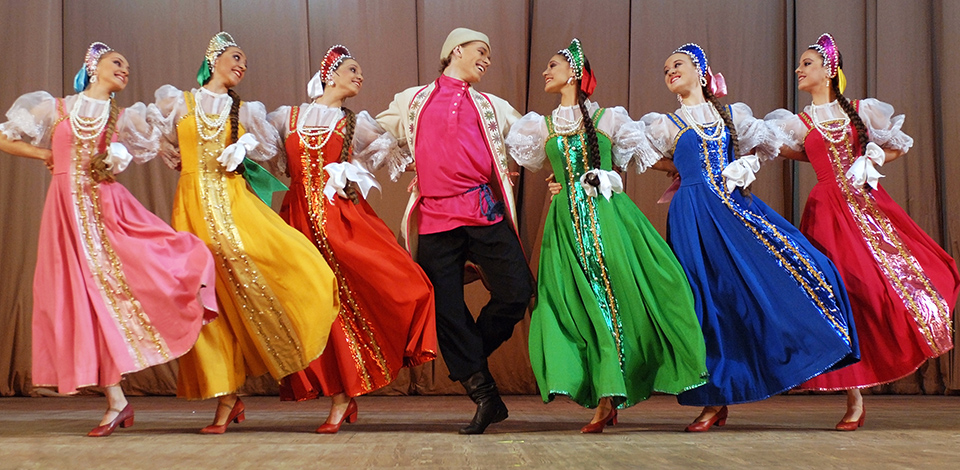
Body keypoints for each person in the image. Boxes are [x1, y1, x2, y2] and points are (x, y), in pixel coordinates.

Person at [636, 43, 859, 431]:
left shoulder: (732, 116)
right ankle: (713, 400)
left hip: (733, 208)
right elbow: (638, 153)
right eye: (666, 68)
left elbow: (764, 146)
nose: (670, 71)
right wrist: (683, 168)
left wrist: (746, 164)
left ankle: (815, 344)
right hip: (692, 215)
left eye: (678, 64)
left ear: (701, 72)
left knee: (781, 273)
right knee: (705, 299)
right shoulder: (664, 124)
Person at [0, 42, 216, 436]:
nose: (125, 70)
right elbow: (4, 137)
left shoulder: (124, 117)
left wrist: (120, 155)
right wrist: (45, 155)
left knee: (121, 288)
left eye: (127, 66)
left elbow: (165, 146)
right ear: (93, 66)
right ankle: (116, 401)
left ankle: (193, 282)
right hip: (65, 214)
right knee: (80, 301)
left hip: (107, 211)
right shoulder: (56, 108)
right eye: (117, 62)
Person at [505, 39, 707, 433]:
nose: (545, 72)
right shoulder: (541, 126)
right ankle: (603, 392)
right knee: (569, 305)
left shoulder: (609, 119)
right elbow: (548, 166)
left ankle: (613, 392)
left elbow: (648, 157)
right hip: (565, 225)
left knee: (622, 299)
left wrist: (618, 175)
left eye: (553, 65)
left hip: (608, 219)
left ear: (574, 72)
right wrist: (558, 181)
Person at [146, 32, 339, 434]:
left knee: (266, 266)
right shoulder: (177, 102)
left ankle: (301, 316)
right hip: (191, 207)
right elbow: (146, 131)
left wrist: (243, 149)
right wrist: (167, 151)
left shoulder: (245, 111)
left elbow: (269, 150)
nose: (242, 66)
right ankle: (227, 398)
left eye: (245, 62)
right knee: (204, 300)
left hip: (234, 204)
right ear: (213, 59)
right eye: (235, 57)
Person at [766, 33, 959, 431]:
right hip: (826, 213)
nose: (799, 69)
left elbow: (897, 146)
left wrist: (873, 156)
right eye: (799, 64)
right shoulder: (798, 122)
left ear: (829, 70)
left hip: (867, 205)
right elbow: (786, 149)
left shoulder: (860, 110)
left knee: (880, 288)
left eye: (807, 63)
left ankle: (913, 332)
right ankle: (854, 397)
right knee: (842, 297)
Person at [267, 45, 437, 434]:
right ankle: (339, 393)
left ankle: (343, 398)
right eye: (352, 69)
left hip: (339, 219)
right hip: (297, 221)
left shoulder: (355, 124)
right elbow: (255, 149)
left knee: (351, 300)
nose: (359, 77)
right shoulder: (285, 118)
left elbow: (396, 156)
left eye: (361, 72)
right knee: (312, 307)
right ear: (330, 74)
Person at [374, 27, 534, 434]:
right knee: (444, 308)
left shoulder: (492, 106)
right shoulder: (412, 100)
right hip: (435, 217)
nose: (487, 60)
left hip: (482, 209)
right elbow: (373, 135)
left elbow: (535, 139)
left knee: (517, 290)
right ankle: (485, 397)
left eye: (489, 54)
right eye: (481, 51)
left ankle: (469, 356)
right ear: (456, 50)